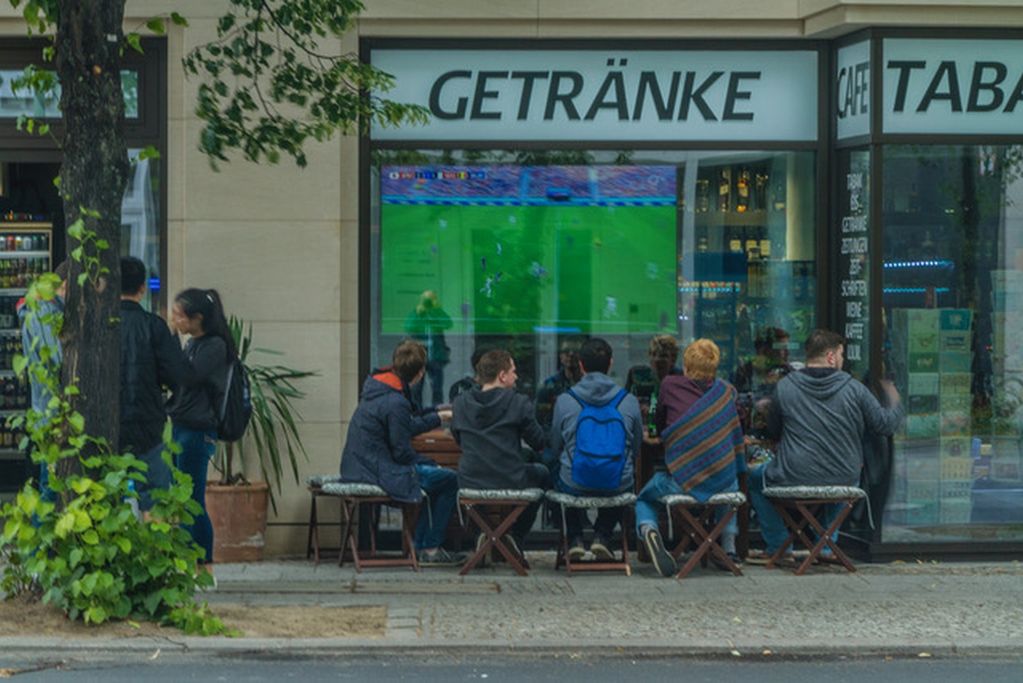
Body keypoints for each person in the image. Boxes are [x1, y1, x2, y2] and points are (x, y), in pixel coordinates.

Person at [747, 329, 903, 562]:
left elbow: (774, 431)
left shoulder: (785, 387)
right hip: (844, 477)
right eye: (841, 354)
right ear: (831, 357)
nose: (842, 360)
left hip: (793, 474)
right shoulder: (855, 389)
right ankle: (827, 546)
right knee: (842, 475)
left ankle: (779, 546)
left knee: (752, 476)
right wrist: (895, 397)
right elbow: (885, 424)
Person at [340, 339, 464, 566]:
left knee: (437, 479)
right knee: (449, 480)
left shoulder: (381, 387)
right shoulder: (395, 401)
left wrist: (437, 411)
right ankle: (429, 548)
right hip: (376, 469)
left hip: (359, 465)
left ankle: (424, 546)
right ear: (419, 373)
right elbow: (402, 452)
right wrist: (431, 461)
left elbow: (406, 420)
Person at [635, 339, 746, 577]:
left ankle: (649, 531)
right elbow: (737, 431)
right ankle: (728, 548)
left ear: (685, 366)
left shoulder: (669, 385)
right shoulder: (727, 393)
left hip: (681, 481)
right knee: (729, 477)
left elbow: (663, 422)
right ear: (715, 367)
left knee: (644, 497)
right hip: (721, 482)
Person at [119, 258, 200, 512]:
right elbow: (178, 376)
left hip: (108, 428)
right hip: (148, 425)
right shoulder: (153, 326)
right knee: (155, 505)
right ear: (142, 288)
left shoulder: (102, 327)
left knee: (108, 500)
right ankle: (151, 550)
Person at [550, 338, 642, 561]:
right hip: (617, 484)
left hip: (575, 483)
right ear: (610, 363)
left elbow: (555, 445)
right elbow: (636, 448)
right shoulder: (628, 401)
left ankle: (574, 538)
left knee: (558, 469)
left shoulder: (565, 400)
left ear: (580, 365)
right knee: (623, 474)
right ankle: (603, 535)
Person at [451, 349, 549, 555]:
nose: (517, 376)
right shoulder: (518, 402)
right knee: (542, 473)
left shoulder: (460, 404)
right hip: (509, 479)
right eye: (513, 371)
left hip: (470, 482)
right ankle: (513, 535)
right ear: (502, 376)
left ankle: (483, 532)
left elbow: (458, 439)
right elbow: (538, 442)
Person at [167, 288, 236, 568]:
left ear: (198, 318)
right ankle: (189, 556)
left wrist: (169, 342)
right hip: (181, 424)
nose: (175, 321)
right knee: (182, 494)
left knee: (192, 497)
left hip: (198, 428)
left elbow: (189, 376)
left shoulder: (214, 346)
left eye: (179, 316)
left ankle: (201, 558)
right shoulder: (193, 343)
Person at [18, 260, 68, 504]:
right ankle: (41, 543)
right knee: (51, 486)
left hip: (44, 408)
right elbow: (56, 360)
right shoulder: (44, 313)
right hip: (52, 411)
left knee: (49, 482)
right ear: (65, 286)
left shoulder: (36, 309)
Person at [404, 290, 453, 408]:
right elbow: (409, 327)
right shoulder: (417, 312)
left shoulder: (436, 312)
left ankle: (437, 414)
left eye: (430, 300)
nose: (428, 303)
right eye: (426, 300)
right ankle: (416, 413)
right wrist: (418, 313)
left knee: (437, 387)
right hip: (419, 354)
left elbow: (448, 324)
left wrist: (436, 311)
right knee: (416, 388)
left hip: (435, 354)